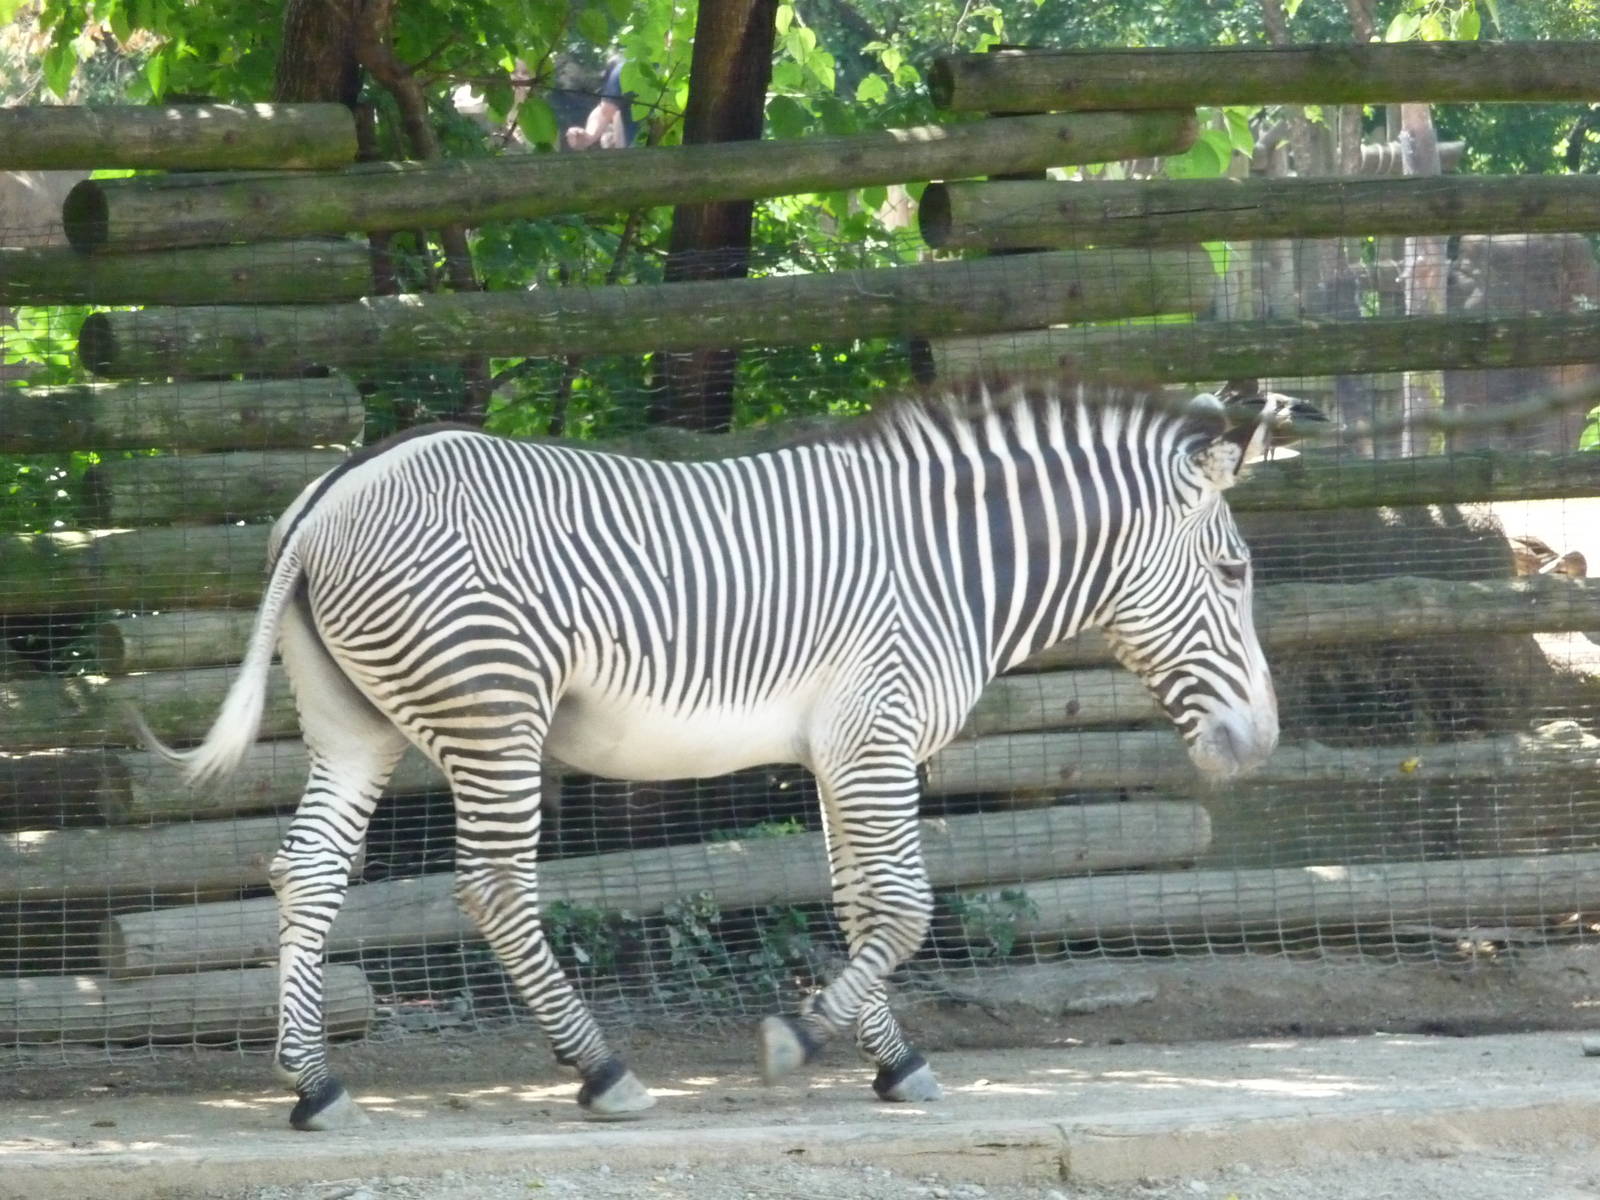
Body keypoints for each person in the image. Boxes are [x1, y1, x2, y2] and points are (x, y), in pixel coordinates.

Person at [565, 55, 634, 150]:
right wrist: (588, 137)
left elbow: (607, 109)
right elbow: (606, 109)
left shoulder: (624, 68)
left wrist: (589, 137)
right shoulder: (624, 69)